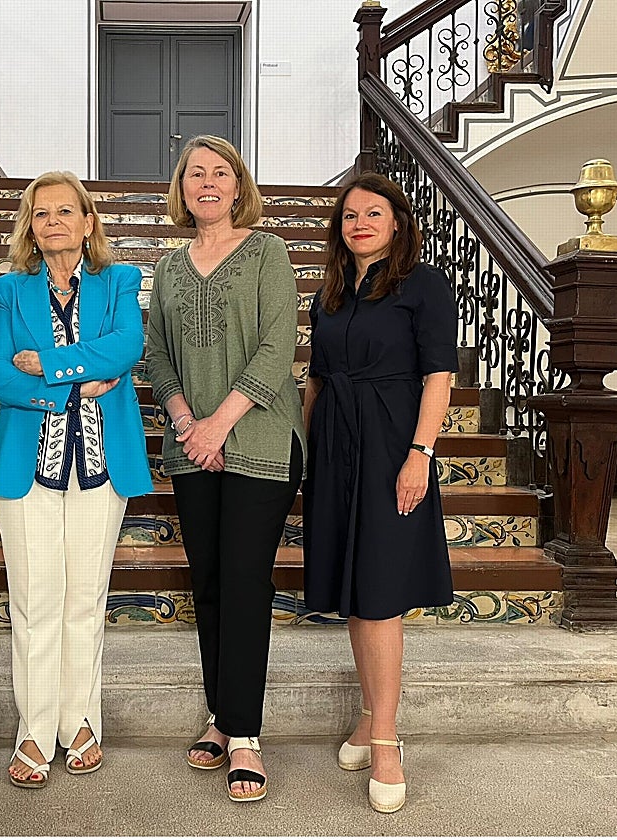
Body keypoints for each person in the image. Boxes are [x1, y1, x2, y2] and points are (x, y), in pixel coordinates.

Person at [145, 135, 305, 803]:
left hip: (261, 440)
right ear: (182, 189)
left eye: (221, 173)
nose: (207, 183)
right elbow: (156, 356)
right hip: (192, 446)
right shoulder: (169, 266)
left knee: (243, 583)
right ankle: (220, 714)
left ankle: (244, 737)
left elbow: (279, 344)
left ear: (238, 186)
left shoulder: (268, 251)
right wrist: (188, 422)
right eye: (195, 174)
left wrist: (220, 422)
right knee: (208, 585)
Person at [0, 171, 152, 789]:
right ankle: (33, 727)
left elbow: (126, 347)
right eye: (41, 212)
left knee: (85, 598)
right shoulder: (9, 289)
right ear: (30, 224)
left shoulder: (119, 281)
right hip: (28, 467)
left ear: (87, 222)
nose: (53, 221)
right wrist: (72, 388)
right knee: (34, 600)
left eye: (65, 211)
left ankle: (81, 721)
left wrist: (51, 366)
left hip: (102, 464)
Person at [301, 172, 458, 814]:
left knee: (384, 591)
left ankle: (388, 738)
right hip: (336, 444)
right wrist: (308, 456)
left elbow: (439, 375)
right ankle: (370, 716)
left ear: (396, 222)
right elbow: (314, 379)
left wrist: (420, 455)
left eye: (374, 212)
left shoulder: (423, 287)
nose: (359, 222)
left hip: (395, 442)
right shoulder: (330, 294)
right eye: (349, 215)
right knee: (358, 591)